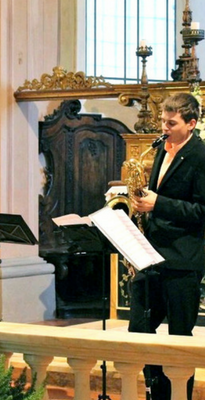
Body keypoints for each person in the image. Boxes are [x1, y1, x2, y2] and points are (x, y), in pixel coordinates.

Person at [130, 92, 205, 400]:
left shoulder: (201, 156)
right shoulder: (163, 147)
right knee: (139, 329)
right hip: (153, 256)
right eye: (163, 120)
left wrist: (158, 203)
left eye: (171, 123)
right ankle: (155, 392)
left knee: (179, 338)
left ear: (191, 123)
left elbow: (202, 211)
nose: (164, 127)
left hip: (183, 260)